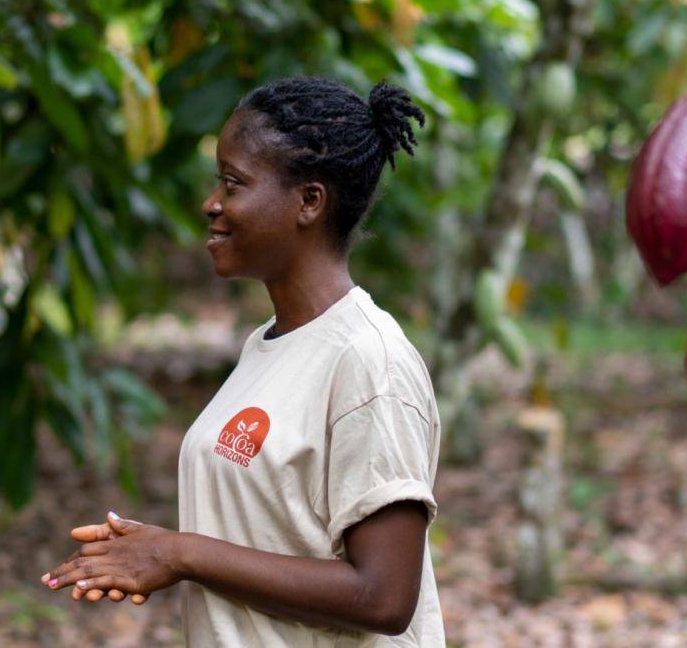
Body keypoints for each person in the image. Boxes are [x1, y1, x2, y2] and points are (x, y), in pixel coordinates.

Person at [42, 77, 445, 645]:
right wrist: (154, 546)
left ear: (309, 201)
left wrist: (181, 552)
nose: (211, 204)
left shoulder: (369, 362)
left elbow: (382, 596)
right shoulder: (269, 345)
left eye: (233, 183)